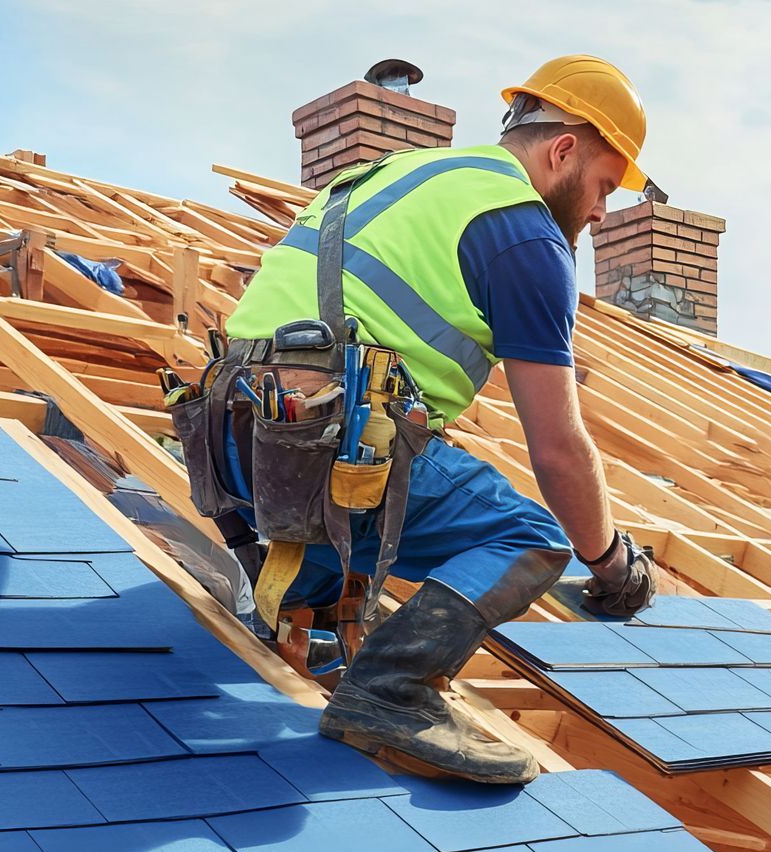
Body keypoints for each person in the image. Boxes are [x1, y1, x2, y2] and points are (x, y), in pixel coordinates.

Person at [217, 56, 657, 784]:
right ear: (564, 150)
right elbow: (557, 448)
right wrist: (609, 561)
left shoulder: (395, 173)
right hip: (329, 443)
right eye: (607, 187)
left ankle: (288, 600)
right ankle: (391, 693)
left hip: (234, 437)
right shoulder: (524, 234)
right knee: (530, 537)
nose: (603, 212)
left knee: (379, 489)